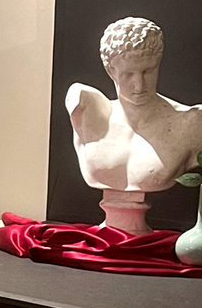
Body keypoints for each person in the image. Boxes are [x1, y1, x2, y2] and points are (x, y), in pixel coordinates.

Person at [67, 17, 202, 193]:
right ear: (110, 71)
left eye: (148, 71)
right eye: (128, 74)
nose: (139, 85)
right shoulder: (86, 112)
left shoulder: (191, 123)